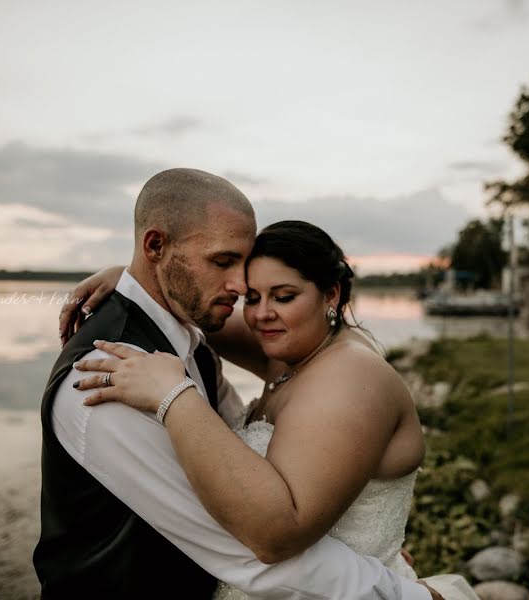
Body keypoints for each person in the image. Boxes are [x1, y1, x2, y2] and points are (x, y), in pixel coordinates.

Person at [34, 169, 444, 599]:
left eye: (280, 294)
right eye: (224, 263)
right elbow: (239, 542)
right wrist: (129, 277)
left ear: (332, 295)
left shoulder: (207, 348)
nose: (241, 290)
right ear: (155, 246)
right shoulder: (107, 375)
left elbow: (258, 542)